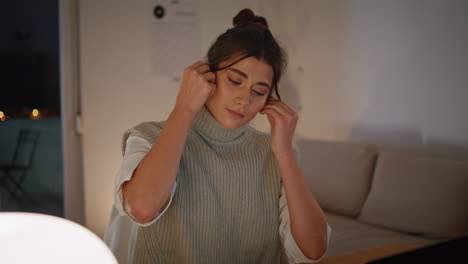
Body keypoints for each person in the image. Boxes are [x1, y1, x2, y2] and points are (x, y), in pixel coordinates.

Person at [104, 8, 331, 264]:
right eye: (235, 81)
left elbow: (314, 249)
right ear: (208, 76)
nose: (244, 99)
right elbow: (143, 208)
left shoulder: (274, 153)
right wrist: (184, 108)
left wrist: (285, 154)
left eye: (258, 91)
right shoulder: (148, 135)